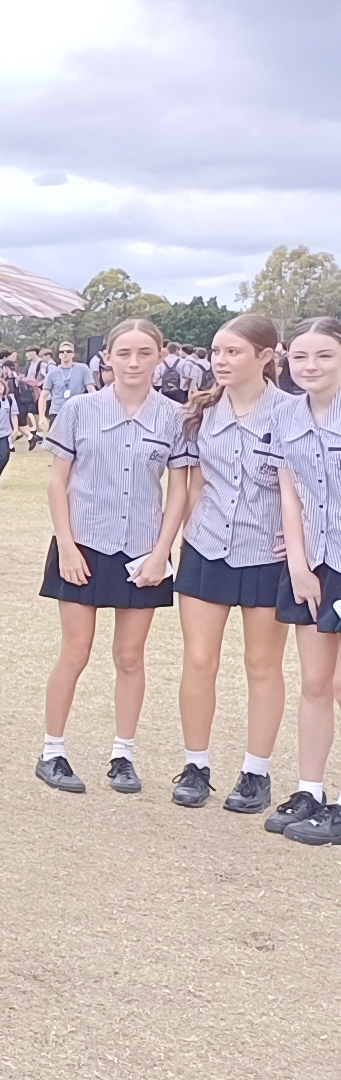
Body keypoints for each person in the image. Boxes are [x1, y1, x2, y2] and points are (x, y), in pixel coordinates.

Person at [36, 319, 192, 795]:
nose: (133, 362)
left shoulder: (175, 417)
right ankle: (52, 751)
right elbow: (57, 481)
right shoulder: (80, 410)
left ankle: (122, 754)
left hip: (142, 550)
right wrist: (66, 545)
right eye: (123, 353)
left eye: (144, 353)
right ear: (107, 357)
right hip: (82, 544)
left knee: (129, 656)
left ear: (160, 356)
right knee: (75, 652)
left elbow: (179, 491)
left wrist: (160, 553)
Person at [170, 315, 293, 814]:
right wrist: (181, 538)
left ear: (266, 356)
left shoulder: (293, 413)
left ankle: (255, 772)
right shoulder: (202, 412)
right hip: (207, 547)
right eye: (216, 351)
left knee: (262, 664)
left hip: (269, 552)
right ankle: (195, 764)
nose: (220, 361)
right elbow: (196, 483)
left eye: (233, 352)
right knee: (199, 661)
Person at [269, 316, 341, 843]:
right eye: (300, 357)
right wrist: (299, 564)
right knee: (315, 684)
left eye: (324, 356)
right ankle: (309, 791)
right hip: (314, 565)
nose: (310, 366)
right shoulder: (287, 414)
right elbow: (288, 495)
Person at [42, 341, 95, 429]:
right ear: (59, 355)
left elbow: (91, 389)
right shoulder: (52, 372)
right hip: (57, 411)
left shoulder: (83, 368)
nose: (65, 354)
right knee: (55, 441)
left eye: (68, 351)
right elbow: (44, 395)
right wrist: (41, 416)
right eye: (62, 352)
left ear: (73, 354)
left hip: (77, 411)